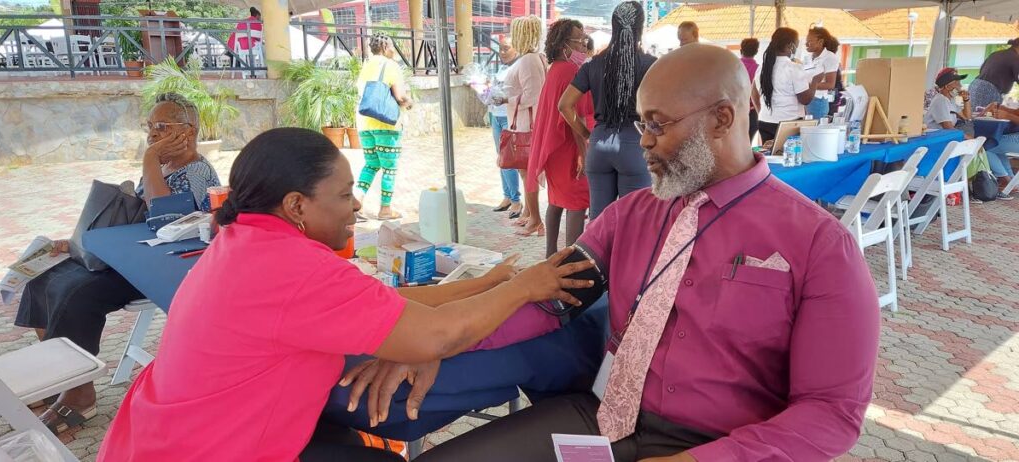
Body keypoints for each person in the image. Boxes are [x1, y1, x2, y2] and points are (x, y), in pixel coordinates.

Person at [414, 44, 880, 462]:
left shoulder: (821, 245)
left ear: (722, 118)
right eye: (642, 123)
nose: (644, 141)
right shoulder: (628, 215)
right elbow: (549, 299)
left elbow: (831, 413)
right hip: (601, 420)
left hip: (722, 444)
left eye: (658, 124)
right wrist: (443, 341)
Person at [96, 128, 595, 462]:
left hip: (160, 439)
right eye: (342, 194)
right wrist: (527, 286)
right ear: (296, 205)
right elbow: (437, 336)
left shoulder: (244, 242)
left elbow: (399, 308)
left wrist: (492, 284)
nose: (356, 205)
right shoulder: (292, 268)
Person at [16, 93, 221, 435]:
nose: (152, 134)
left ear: (189, 130)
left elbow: (162, 215)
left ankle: (80, 395)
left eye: (162, 127)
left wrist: (150, 159)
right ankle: (61, 378)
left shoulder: (197, 170)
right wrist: (77, 243)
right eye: (150, 127)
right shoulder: (164, 164)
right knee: (44, 279)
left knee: (77, 295)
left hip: (156, 263)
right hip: (129, 252)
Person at [559, 1, 656, 220]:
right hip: (635, 143)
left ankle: (596, 256)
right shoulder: (651, 64)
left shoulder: (592, 65)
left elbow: (564, 105)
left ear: (614, 27)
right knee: (634, 222)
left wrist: (587, 134)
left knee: (598, 223)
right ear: (640, 28)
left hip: (599, 143)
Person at [528, 19, 594, 257]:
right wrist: (583, 153)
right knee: (577, 203)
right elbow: (573, 116)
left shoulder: (555, 68)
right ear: (565, 44)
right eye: (579, 40)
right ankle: (569, 262)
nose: (583, 45)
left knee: (556, 201)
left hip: (555, 148)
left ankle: (550, 256)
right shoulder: (570, 70)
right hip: (568, 147)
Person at [493, 15, 548, 236]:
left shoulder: (528, 60)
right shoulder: (535, 58)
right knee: (526, 172)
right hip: (526, 123)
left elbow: (532, 96)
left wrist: (506, 100)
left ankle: (535, 218)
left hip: (527, 126)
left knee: (528, 172)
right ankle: (528, 213)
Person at [355, 32, 413, 221]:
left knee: (371, 164)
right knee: (389, 168)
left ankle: (356, 203)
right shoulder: (390, 66)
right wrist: (409, 102)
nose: (393, 50)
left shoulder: (366, 66)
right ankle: (385, 210)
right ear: (384, 47)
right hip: (386, 125)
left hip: (364, 123)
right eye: (391, 46)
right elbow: (400, 97)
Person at [752, 27, 822, 145]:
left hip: (765, 120)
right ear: (791, 46)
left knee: (770, 158)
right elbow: (805, 99)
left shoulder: (763, 67)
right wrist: (815, 81)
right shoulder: (793, 68)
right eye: (797, 45)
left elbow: (753, 93)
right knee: (788, 157)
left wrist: (762, 111)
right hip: (788, 122)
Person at [489, 36, 523, 218]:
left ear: (516, 49)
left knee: (508, 159)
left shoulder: (519, 68)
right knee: (501, 158)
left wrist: (504, 98)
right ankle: (507, 196)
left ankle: (516, 201)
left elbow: (523, 95)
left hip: (508, 117)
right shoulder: (501, 67)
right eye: (500, 49)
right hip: (495, 114)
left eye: (506, 48)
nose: (502, 52)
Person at [969, 38, 1019, 110]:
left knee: (974, 116)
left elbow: (981, 70)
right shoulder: (1015, 58)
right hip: (988, 90)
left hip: (975, 85)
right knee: (985, 118)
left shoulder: (995, 54)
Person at [804, 27, 840, 121]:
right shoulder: (808, 58)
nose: (806, 44)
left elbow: (830, 84)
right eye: (806, 41)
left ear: (820, 42)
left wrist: (807, 86)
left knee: (814, 133)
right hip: (805, 100)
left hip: (817, 101)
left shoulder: (830, 58)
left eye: (810, 41)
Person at [740, 38, 760, 140]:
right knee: (748, 143)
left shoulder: (734, 65)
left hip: (736, 110)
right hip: (752, 112)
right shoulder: (759, 69)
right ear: (756, 51)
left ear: (741, 50)